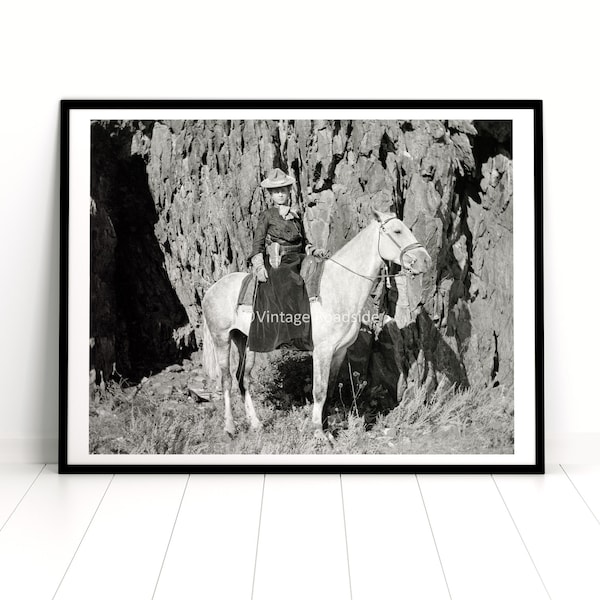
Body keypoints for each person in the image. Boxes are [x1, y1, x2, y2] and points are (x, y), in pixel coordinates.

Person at [247, 168, 328, 352]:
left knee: (320, 273)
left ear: (289, 191)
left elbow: (305, 241)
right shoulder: (267, 215)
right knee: (291, 281)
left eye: (283, 190)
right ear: (270, 195)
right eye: (276, 192)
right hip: (279, 260)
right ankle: (291, 334)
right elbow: (257, 243)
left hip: (299, 256)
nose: (280, 194)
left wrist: (315, 251)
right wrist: (259, 266)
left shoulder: (296, 214)